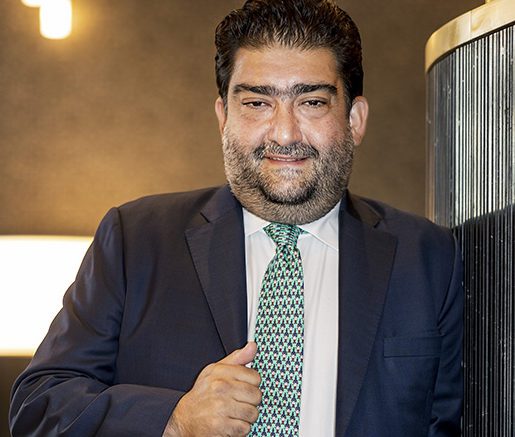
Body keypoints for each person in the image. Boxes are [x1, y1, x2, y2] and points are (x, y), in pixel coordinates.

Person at [9, 0, 463, 436]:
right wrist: (173, 420)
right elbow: (39, 406)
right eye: (256, 103)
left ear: (355, 119)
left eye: (311, 102)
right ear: (223, 116)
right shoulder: (136, 240)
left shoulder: (428, 258)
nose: (284, 134)